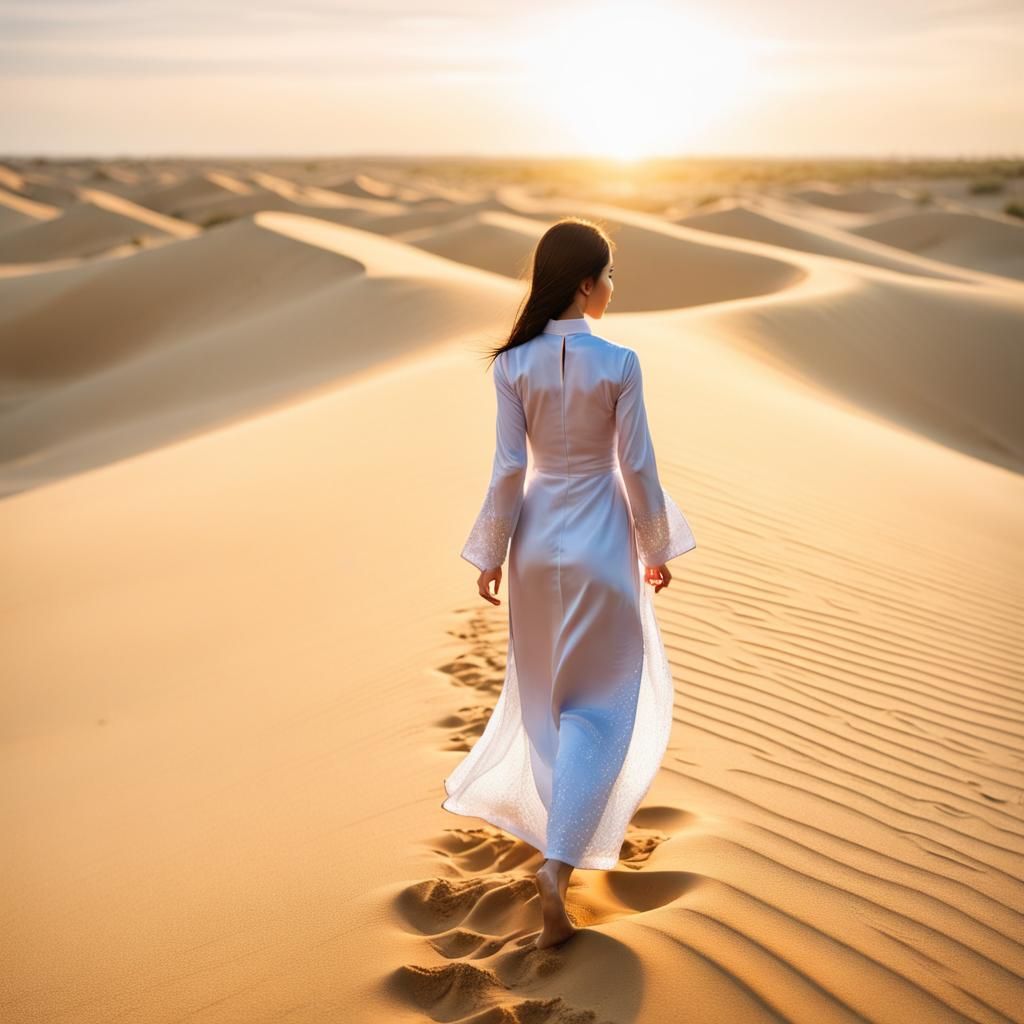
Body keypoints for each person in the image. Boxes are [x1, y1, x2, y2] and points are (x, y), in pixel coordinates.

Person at [441, 216, 697, 949]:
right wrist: (656, 545)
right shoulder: (619, 362)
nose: (613, 288)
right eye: (610, 274)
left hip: (534, 544)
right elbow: (638, 467)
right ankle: (558, 864)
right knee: (603, 706)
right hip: (602, 540)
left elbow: (508, 470)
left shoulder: (512, 365)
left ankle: (559, 835)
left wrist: (491, 552)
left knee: (550, 698)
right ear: (585, 284)